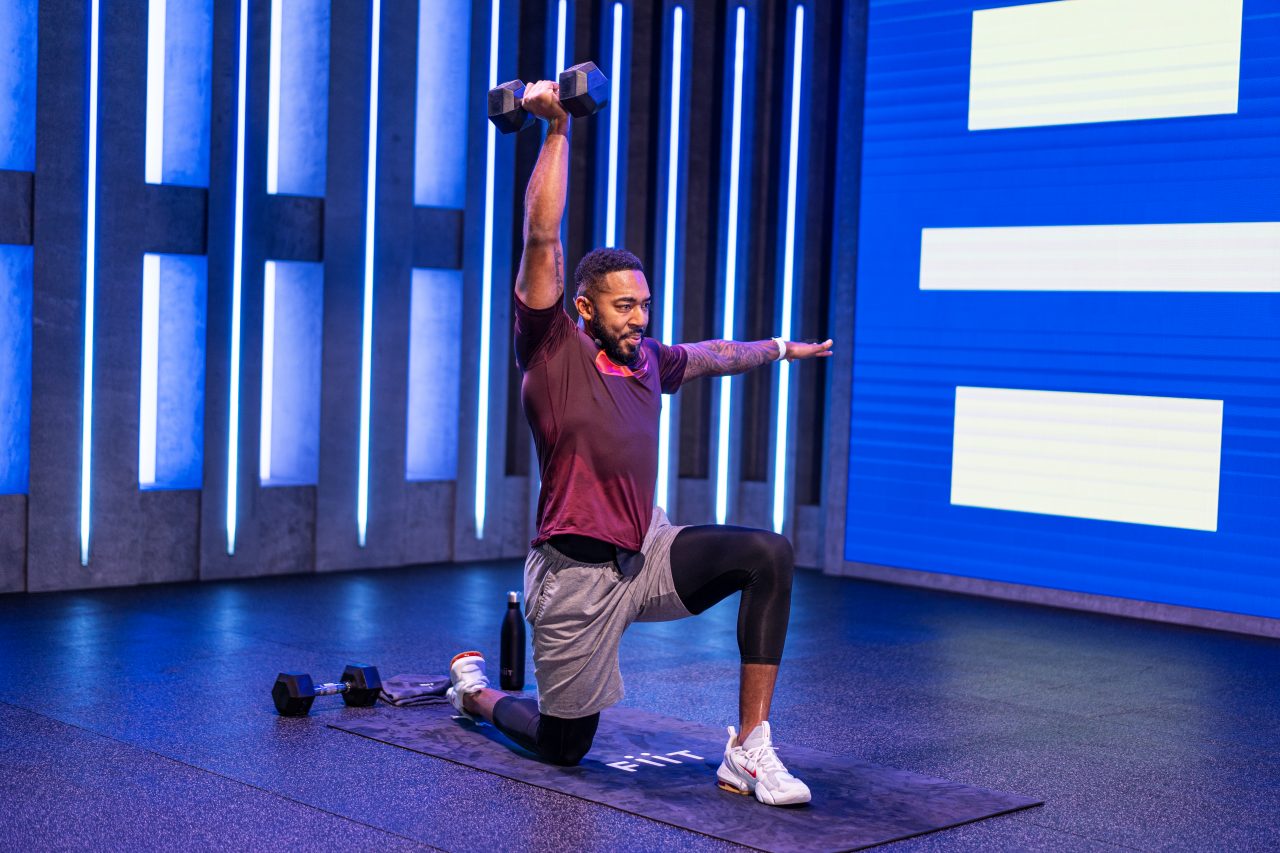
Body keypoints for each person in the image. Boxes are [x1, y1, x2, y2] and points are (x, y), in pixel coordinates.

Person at [446, 79, 833, 806]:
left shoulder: (649, 360)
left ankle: (749, 746)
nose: (640, 317)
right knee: (564, 748)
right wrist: (555, 127)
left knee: (767, 553)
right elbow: (540, 237)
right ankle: (476, 693)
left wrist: (780, 348)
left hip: (645, 552)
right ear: (583, 307)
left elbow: (714, 353)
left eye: (646, 304)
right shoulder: (549, 348)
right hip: (574, 578)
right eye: (626, 306)